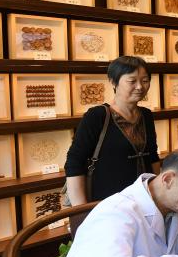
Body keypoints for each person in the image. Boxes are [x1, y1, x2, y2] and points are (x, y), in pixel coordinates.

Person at [64, 55, 158, 206]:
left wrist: (158, 197)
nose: (140, 87)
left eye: (145, 80)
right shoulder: (97, 116)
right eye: (132, 81)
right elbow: (74, 162)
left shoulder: (146, 115)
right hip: (106, 203)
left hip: (143, 201)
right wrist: (82, 210)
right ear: (114, 82)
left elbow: (152, 157)